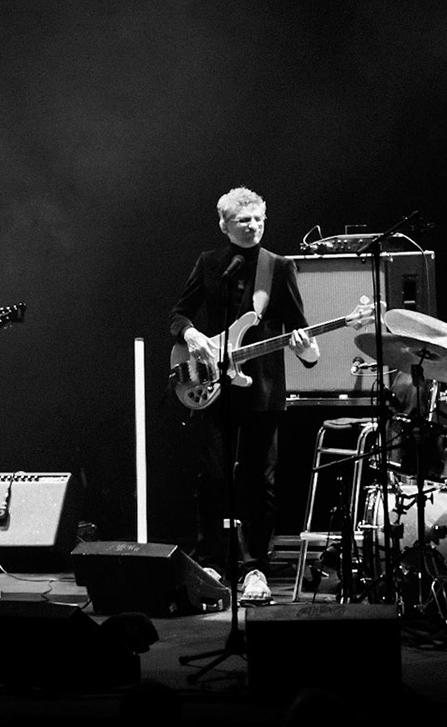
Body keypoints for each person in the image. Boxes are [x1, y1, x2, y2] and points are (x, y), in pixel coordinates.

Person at [169, 187, 320, 605]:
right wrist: (192, 335)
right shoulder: (210, 263)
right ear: (224, 225)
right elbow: (178, 314)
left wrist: (307, 349)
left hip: (263, 390)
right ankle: (210, 562)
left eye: (258, 219)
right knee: (212, 478)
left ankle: (256, 568)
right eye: (243, 220)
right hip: (214, 388)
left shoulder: (279, 267)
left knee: (259, 482)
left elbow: (301, 331)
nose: (253, 226)